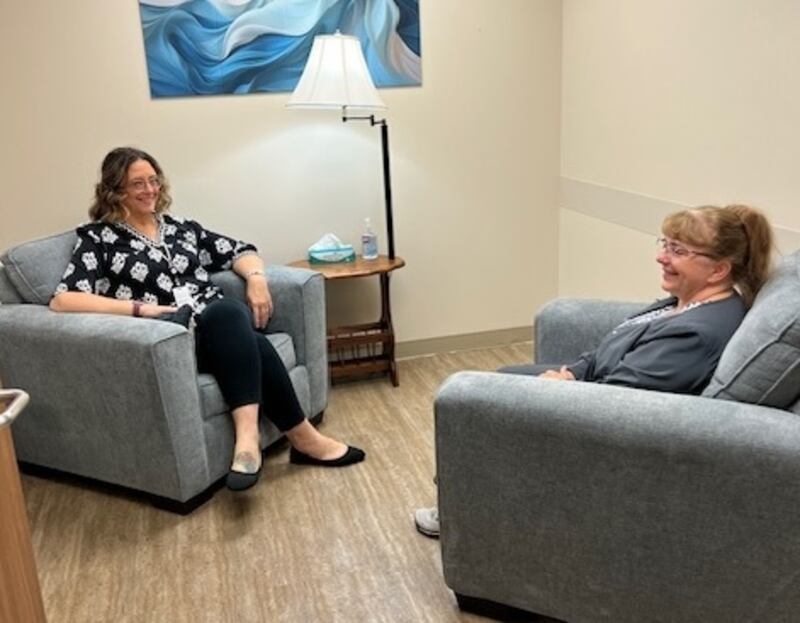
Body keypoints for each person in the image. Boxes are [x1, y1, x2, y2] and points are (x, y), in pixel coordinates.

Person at [415, 203, 775, 537]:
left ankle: (462, 514)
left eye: (678, 250)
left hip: (599, 424)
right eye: (665, 244)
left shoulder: (696, 335)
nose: (661, 256)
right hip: (589, 386)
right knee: (505, 376)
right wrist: (571, 373)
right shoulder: (684, 302)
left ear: (719, 269)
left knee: (476, 404)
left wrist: (563, 390)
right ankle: (466, 499)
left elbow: (618, 404)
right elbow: (612, 344)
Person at [50, 147, 365, 492]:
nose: (150, 190)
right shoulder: (99, 238)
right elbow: (65, 299)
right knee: (243, 329)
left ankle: (252, 443)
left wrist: (256, 279)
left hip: (221, 326)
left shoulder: (181, 228)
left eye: (154, 180)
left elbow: (240, 251)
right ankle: (300, 439)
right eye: (138, 183)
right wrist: (140, 309)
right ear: (115, 190)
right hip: (171, 335)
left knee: (227, 314)